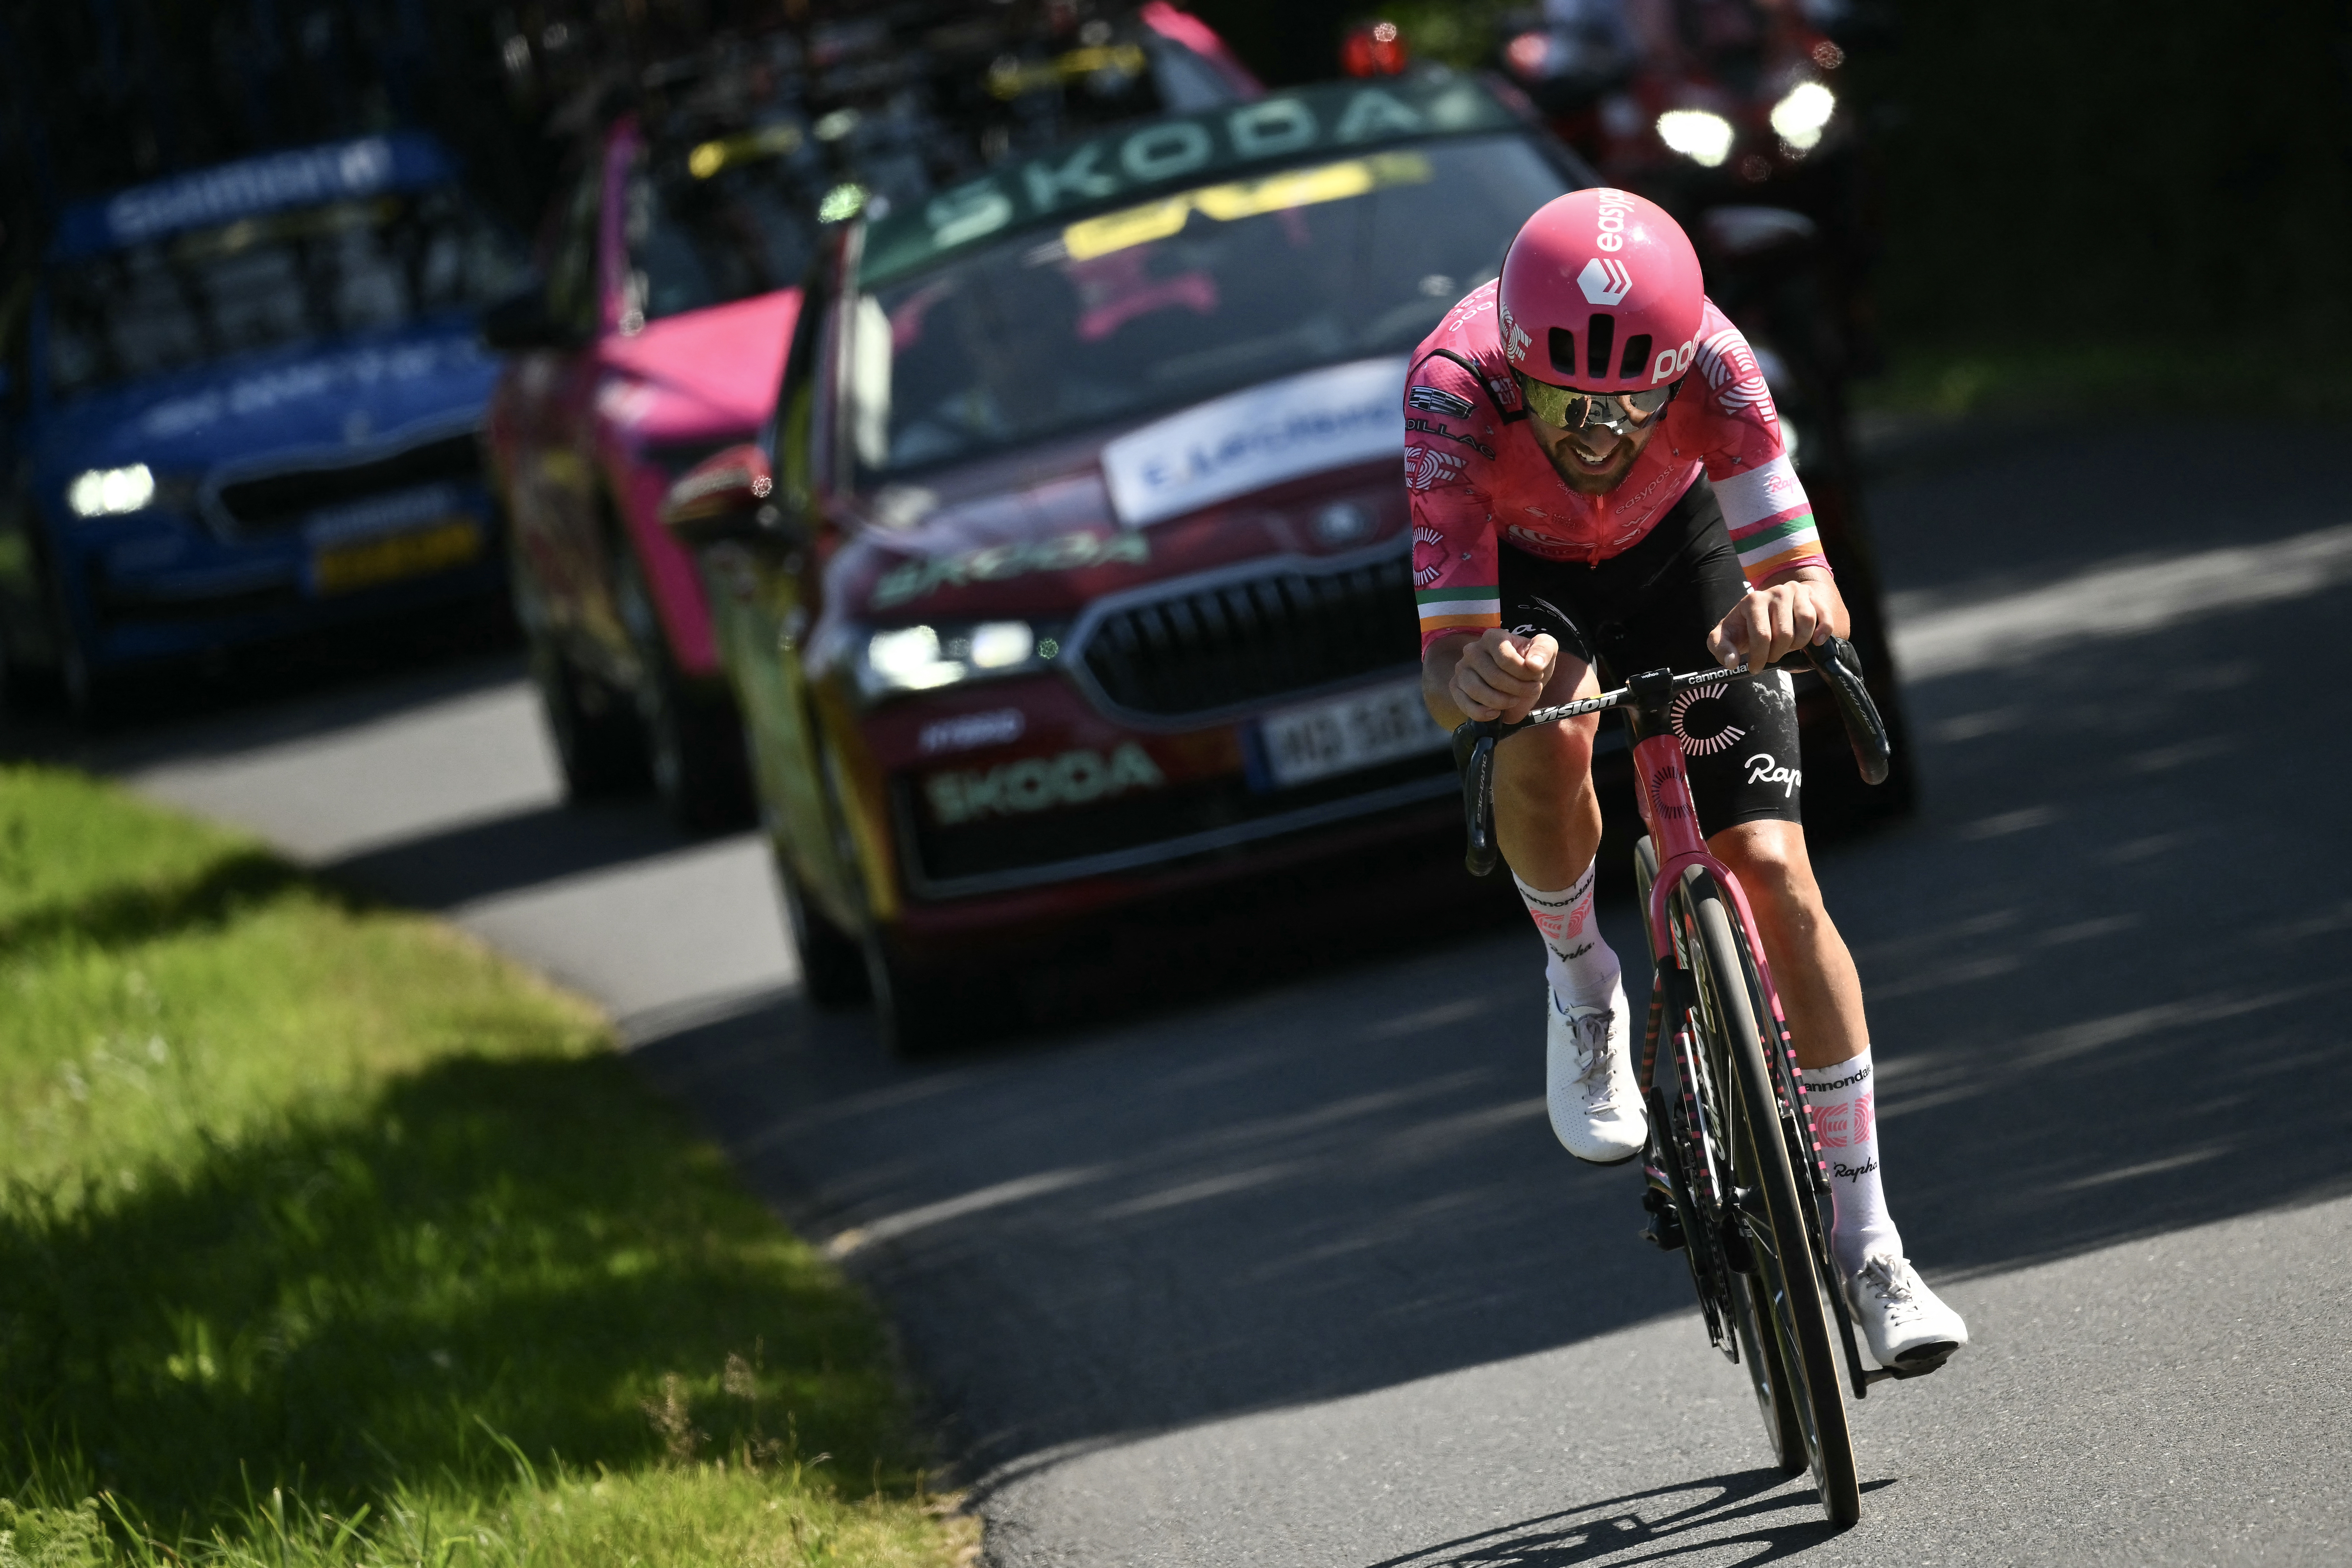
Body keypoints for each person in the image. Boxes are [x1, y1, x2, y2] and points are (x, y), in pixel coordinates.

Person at [1406, 187, 1966, 1370]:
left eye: (1628, 405)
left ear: (1675, 369)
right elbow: (1442, 667)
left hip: (1678, 553)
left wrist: (1791, 606)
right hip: (1530, 577)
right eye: (1566, 405)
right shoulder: (1450, 390)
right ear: (1515, 365)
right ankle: (1581, 975)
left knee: (1774, 869)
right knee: (1544, 735)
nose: (1598, 436)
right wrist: (1483, 681)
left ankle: (1872, 1243)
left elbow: (1813, 583)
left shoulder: (1718, 360)